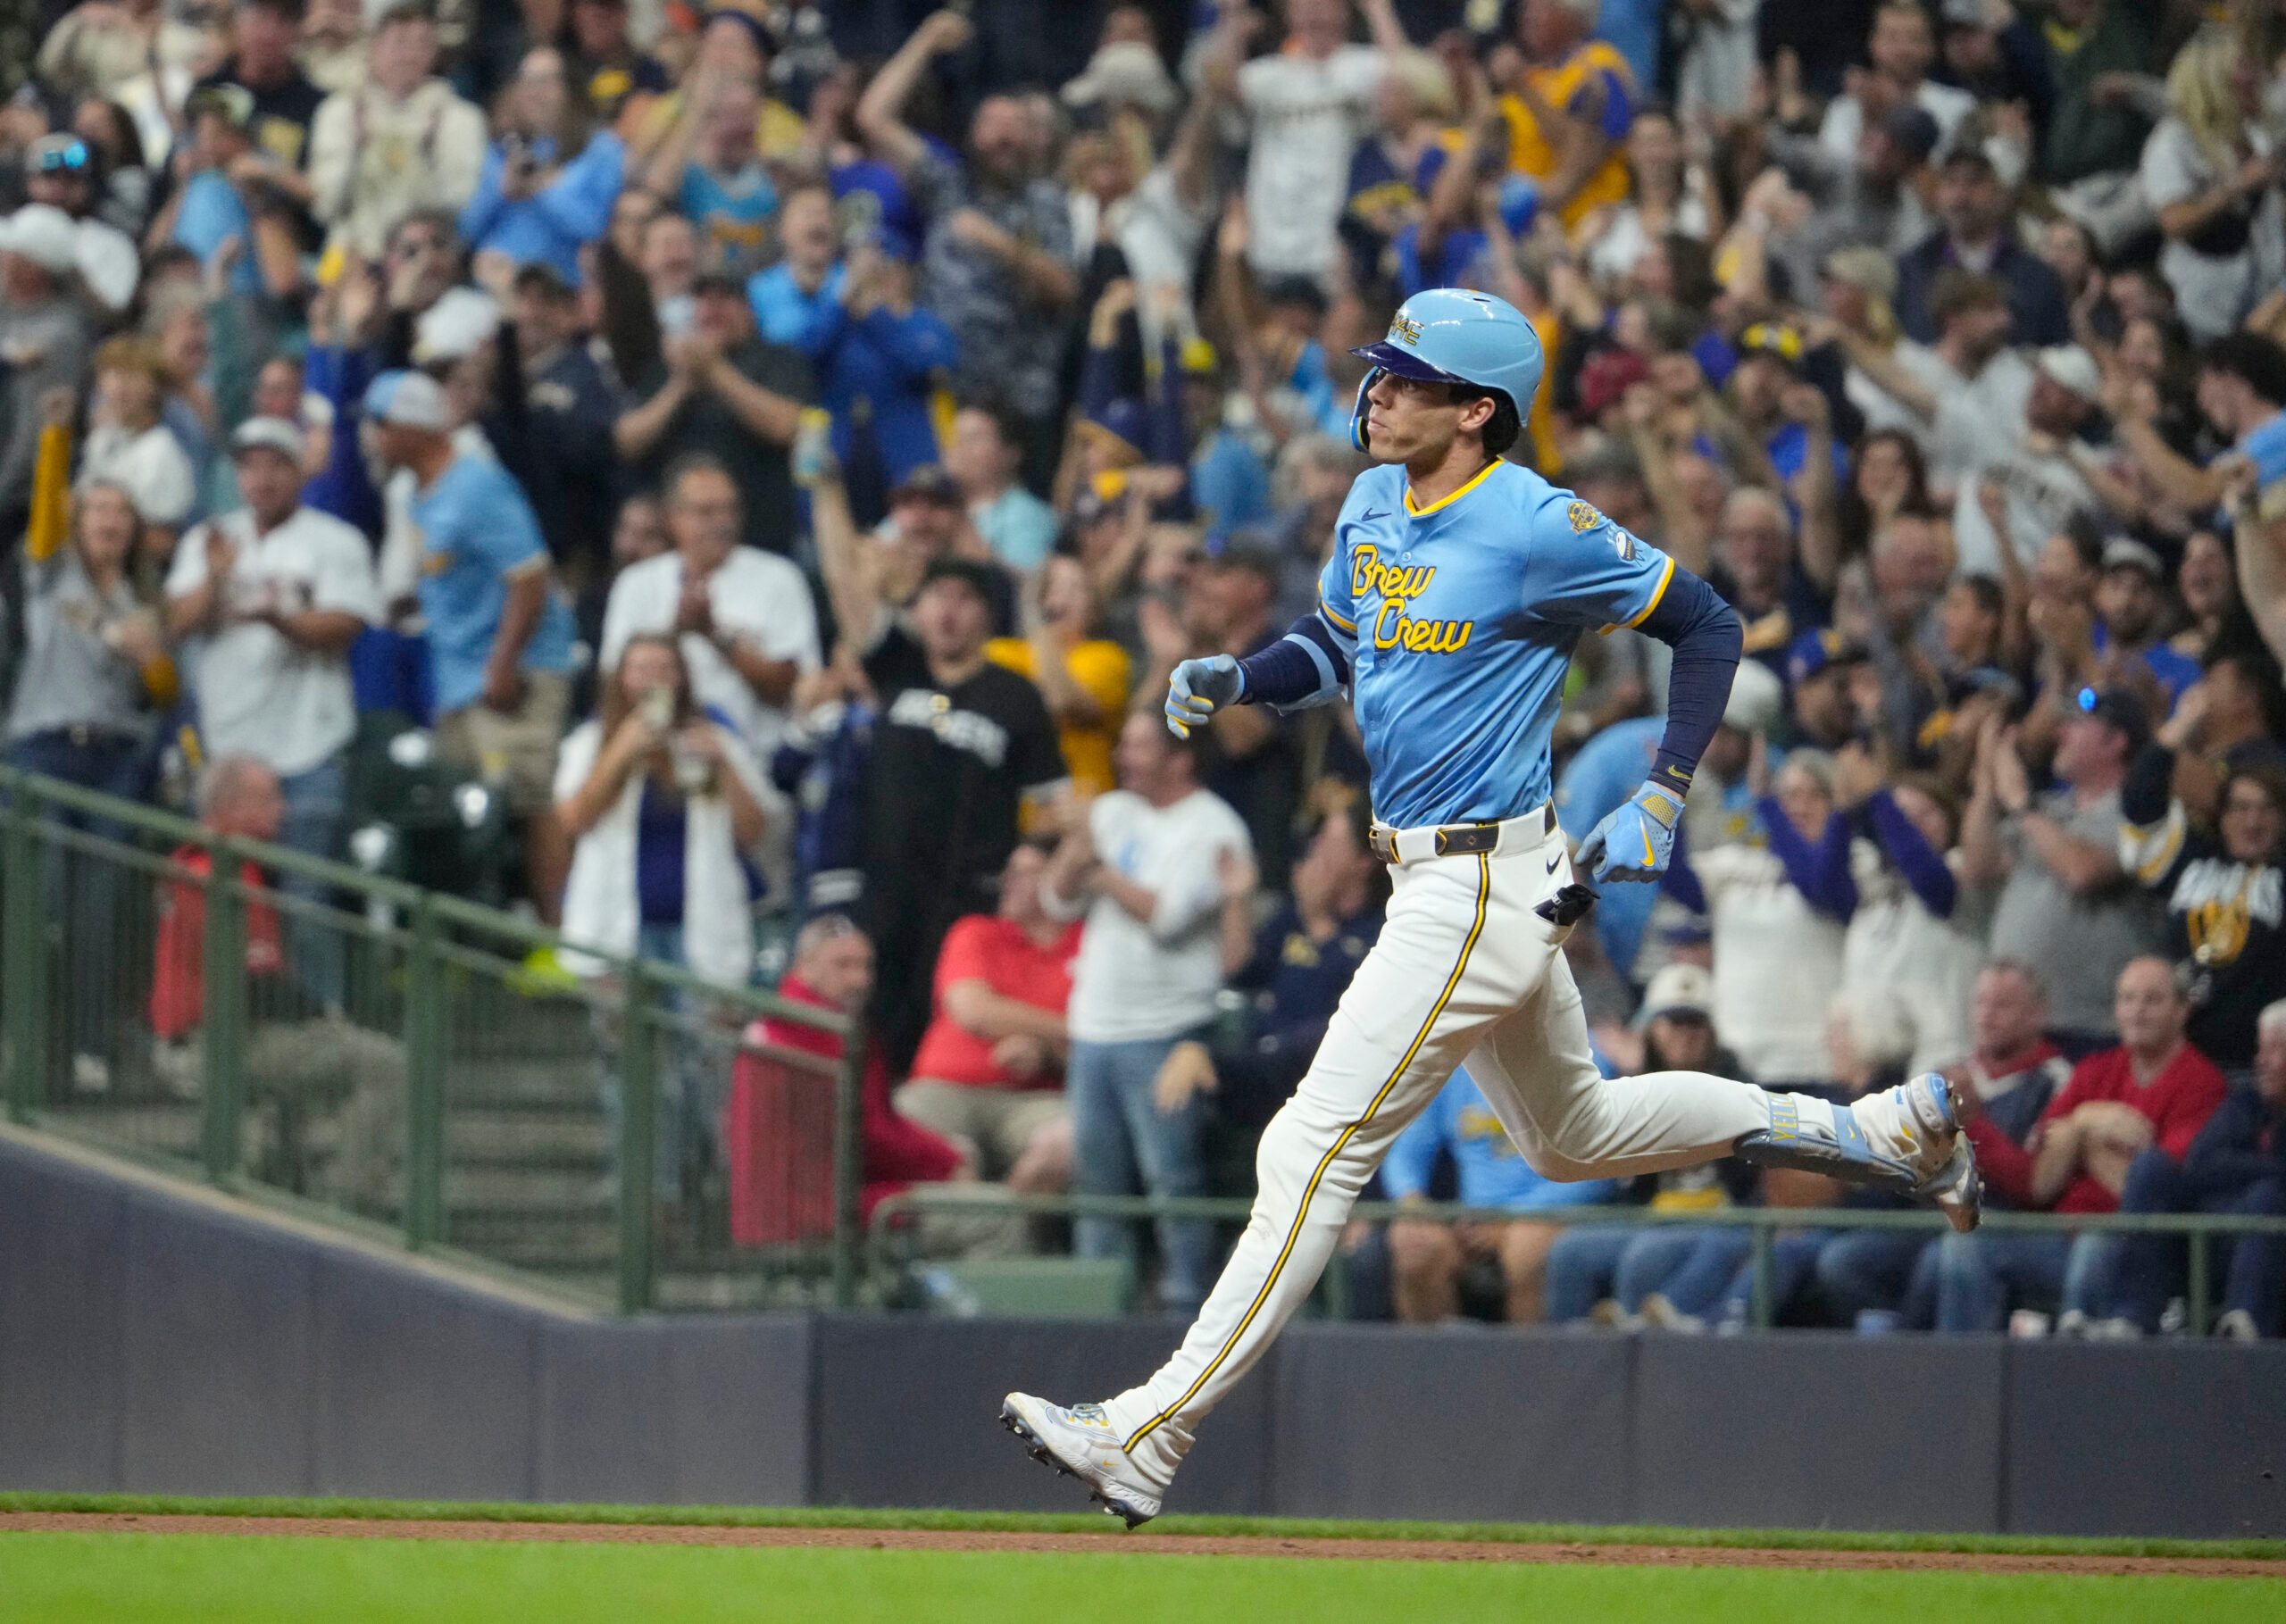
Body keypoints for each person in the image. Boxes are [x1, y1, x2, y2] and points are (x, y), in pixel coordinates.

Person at [1001, 287, 1980, 1528]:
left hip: (1483, 878)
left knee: (1310, 1143)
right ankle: (1880, 1136)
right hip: (1436, 870)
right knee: (1567, 1135)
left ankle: (1148, 1429)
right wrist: (1244, 677)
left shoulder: (1535, 523)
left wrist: (1665, 793)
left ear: (1478, 411)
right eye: (1380, 372)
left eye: (1408, 379)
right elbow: (1342, 642)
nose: (1377, 392)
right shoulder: (1370, 499)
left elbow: (1708, 624)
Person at [165, 416, 378, 1009]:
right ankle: (231, 1034)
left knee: (305, 903)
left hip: (306, 748)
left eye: (276, 463)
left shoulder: (335, 540)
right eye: (250, 464)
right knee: (224, 905)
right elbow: (175, 622)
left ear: (298, 471)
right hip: (229, 756)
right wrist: (215, 578)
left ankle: (323, 1033)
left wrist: (276, 617)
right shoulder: (210, 540)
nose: (261, 477)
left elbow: (346, 625)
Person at [1044, 709, 1254, 1312]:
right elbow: (1057, 901)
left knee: (1172, 1182)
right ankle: (1096, 1306)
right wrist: (1079, 844)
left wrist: (1101, 870)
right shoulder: (1110, 813)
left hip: (1168, 1029)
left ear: (1180, 758)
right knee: (1097, 1183)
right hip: (1094, 1025)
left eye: (1138, 746)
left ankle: (1187, 1308)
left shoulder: (1215, 828)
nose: (1123, 757)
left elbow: (1165, 917)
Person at [362, 368, 577, 922]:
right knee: (454, 806)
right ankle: (473, 938)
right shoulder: (420, 493)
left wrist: (502, 665)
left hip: (514, 670)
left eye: (381, 423)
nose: (373, 436)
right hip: (460, 674)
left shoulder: (475, 484)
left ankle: (565, 942)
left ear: (414, 428)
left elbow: (529, 577)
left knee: (529, 801)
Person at [1936, 955, 2227, 1333]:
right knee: (1967, 1243)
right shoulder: (2094, 1071)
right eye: (2127, 999)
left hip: (2134, 1249)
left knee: (2095, 1243)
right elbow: (2041, 1182)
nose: (2136, 1012)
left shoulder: (2202, 1082)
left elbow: (2151, 1194)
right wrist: (2084, 1119)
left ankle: (2077, 1379)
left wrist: (2082, 1146)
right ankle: (1965, 1379)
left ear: (2182, 1010)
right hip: (2060, 1236)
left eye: (2151, 1000)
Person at [1961, 690, 2163, 1051]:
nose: (2060, 733)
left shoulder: (2140, 810)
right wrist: (1988, 788)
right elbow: (1980, 866)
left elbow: (2083, 872)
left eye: (2075, 725)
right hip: (2019, 1029)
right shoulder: (2050, 810)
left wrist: (2021, 804)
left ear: (2116, 741)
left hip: (2090, 1029)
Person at [598, 454, 820, 768]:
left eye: (731, 509)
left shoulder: (779, 577)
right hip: (656, 763)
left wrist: (714, 635)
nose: (723, 522)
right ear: (671, 517)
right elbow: (612, 685)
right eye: (706, 511)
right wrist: (673, 635)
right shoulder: (636, 583)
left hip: (756, 763)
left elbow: (794, 691)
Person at [897, 842, 1079, 1195]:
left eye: (1026, 873)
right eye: (1008, 872)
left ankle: (1003, 1230)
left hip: (1039, 1098)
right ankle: (995, 1232)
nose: (1009, 881)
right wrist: (1063, 1030)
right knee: (911, 1129)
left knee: (1068, 1146)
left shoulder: (1090, 945)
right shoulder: (975, 931)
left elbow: (1100, 1042)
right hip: (945, 1089)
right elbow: (974, 1010)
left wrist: (1045, 1054)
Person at [2103, 999, 2286, 1339]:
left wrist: (2259, 1178)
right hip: (2213, 1231)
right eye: (2262, 1049)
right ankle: (2130, 1319)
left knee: (2267, 1198)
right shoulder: (2247, 1102)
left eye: (2276, 1050)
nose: (2263, 1061)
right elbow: (2202, 1161)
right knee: (2150, 1168)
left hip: (2270, 1246)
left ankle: (2243, 1327)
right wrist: (2272, 1171)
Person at [1383, 1062, 1618, 1324]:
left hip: (1553, 1209)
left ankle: (1531, 1361)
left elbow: (1598, 1167)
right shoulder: (1455, 1059)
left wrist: (1513, 1218)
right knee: (1415, 1243)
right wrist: (1410, 1198)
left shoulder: (1584, 1056)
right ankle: (1437, 1361)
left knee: (1525, 1249)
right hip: (1473, 1218)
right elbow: (1407, 1146)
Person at [613, 269, 813, 556]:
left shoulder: (779, 360)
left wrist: (715, 371)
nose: (712, 309)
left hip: (761, 542)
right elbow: (625, 442)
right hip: (674, 549)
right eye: (702, 300)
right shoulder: (664, 370)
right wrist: (680, 384)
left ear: (748, 310)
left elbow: (789, 427)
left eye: (724, 299)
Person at [2120, 744, 2286, 1072]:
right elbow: (2140, 800)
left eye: (2267, 809)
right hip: (2171, 1060)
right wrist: (2171, 740)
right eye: (2240, 808)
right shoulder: (2189, 863)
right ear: (2221, 816)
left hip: (2245, 1068)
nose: (2253, 822)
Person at [305, 1, 487, 259]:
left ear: (433, 53)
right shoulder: (339, 112)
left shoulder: (461, 119)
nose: (409, 55)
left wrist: (430, 153)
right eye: (399, 42)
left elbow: (462, 210)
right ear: (374, 46)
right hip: (349, 254)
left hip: (424, 259)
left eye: (421, 44)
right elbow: (323, 209)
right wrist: (356, 149)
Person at [983, 552, 1131, 800]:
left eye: (1077, 588)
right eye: (1052, 588)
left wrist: (1037, 623)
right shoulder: (999, 652)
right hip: (1009, 809)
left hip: (1081, 813)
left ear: (1094, 610)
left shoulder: (1107, 657)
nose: (1064, 597)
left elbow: (1061, 703)